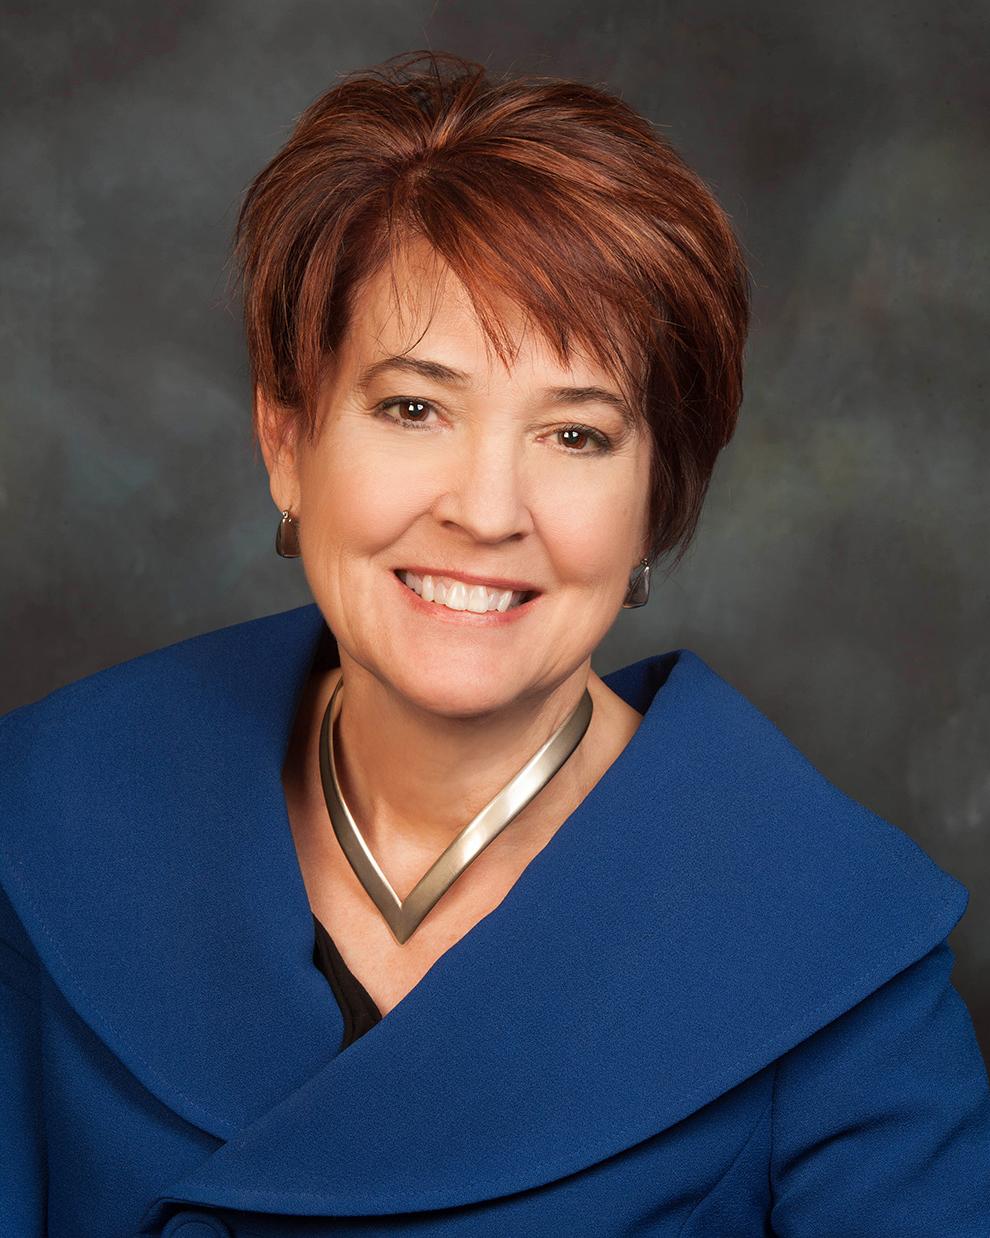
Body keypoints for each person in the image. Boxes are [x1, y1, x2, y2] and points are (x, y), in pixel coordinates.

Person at [1, 49, 987, 1238]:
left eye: (576, 434)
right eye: (413, 407)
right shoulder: (40, 817)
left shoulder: (838, 955)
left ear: (654, 500)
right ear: (286, 437)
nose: (485, 507)